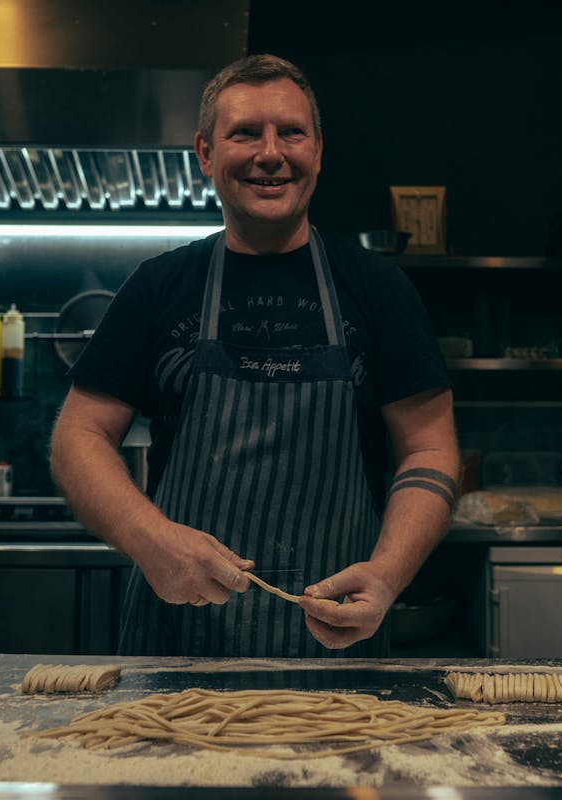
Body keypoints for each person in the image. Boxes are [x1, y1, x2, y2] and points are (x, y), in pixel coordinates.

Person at [51, 54, 459, 657]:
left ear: (317, 150)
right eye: (244, 133)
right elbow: (76, 437)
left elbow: (429, 447)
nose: (271, 153)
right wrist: (151, 539)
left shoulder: (377, 289)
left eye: (291, 132)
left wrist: (388, 574)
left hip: (337, 646)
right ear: (206, 154)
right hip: (177, 646)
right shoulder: (159, 286)